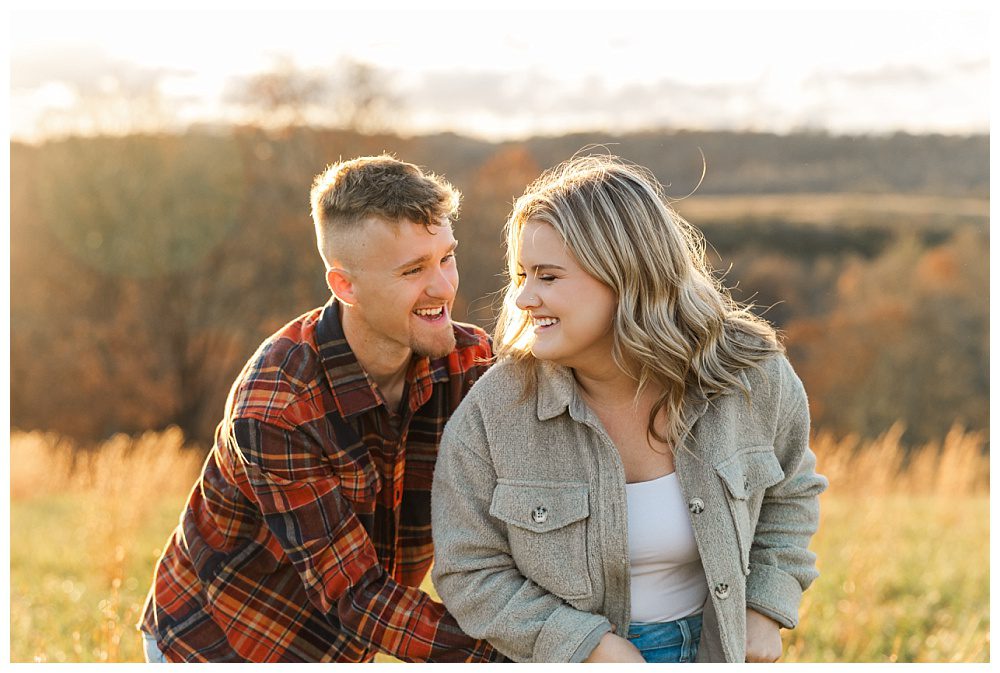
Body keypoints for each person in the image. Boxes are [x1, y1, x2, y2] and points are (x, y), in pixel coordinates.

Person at [431, 154, 828, 663]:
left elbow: (790, 492)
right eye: (521, 275)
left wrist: (766, 606)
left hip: (718, 649)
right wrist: (585, 645)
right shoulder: (495, 412)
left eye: (548, 277)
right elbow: (469, 569)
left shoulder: (748, 375)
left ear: (626, 276)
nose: (524, 298)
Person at [138, 155, 504, 663]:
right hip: (221, 641)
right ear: (344, 286)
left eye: (447, 257)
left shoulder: (471, 363)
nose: (443, 286)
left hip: (347, 644)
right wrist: (520, 656)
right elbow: (356, 596)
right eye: (413, 269)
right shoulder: (276, 405)